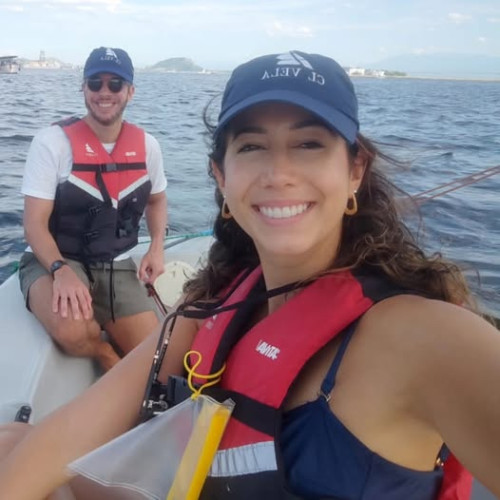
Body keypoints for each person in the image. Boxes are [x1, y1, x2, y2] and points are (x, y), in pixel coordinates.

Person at [1, 50, 499, 499]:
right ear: (221, 175)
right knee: (16, 443)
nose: (278, 173)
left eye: (309, 144)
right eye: (252, 147)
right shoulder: (216, 303)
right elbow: (63, 439)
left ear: (355, 170)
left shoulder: (429, 339)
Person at [18, 47, 168, 371]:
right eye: (95, 83)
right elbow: (33, 225)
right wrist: (60, 270)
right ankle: (104, 353)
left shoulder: (148, 147)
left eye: (115, 84)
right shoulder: (51, 143)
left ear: (130, 91)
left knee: (160, 362)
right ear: (83, 88)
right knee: (72, 330)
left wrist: (156, 248)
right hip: (55, 258)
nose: (104, 92)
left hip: (115, 265)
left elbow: (157, 199)